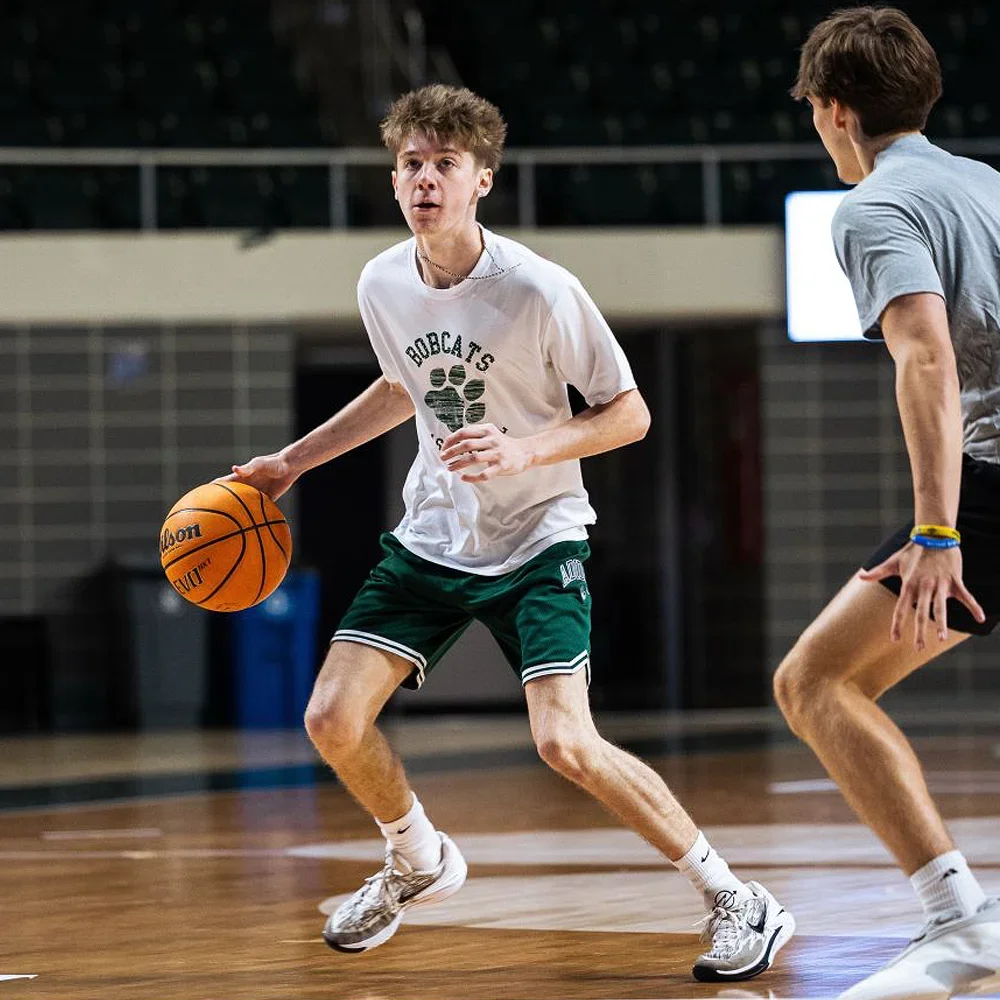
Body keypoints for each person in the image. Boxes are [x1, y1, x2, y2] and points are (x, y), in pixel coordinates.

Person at [229, 84, 794, 983]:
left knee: (565, 743)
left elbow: (630, 413)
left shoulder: (538, 288)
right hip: (433, 536)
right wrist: (293, 462)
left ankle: (735, 896)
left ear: (482, 180)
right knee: (331, 719)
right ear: (394, 177)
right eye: (412, 163)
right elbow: (400, 387)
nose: (425, 179)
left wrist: (526, 449)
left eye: (445, 164)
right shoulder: (382, 282)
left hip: (538, 539)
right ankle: (417, 858)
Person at [777, 7, 1000, 997]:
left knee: (815, 682)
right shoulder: (987, 184)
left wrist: (937, 530)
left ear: (834, 111)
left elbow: (925, 357)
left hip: (991, 479)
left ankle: (959, 920)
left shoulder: (872, 207)